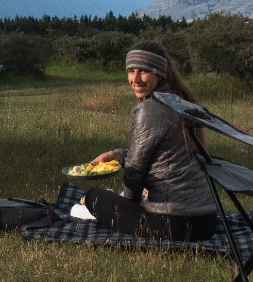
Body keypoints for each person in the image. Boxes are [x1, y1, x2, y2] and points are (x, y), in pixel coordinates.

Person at [80, 41, 218, 242]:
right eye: (131, 71)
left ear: (158, 73)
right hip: (207, 223)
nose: (135, 79)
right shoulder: (180, 100)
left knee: (94, 197)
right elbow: (162, 152)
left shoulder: (149, 109)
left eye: (143, 72)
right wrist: (119, 155)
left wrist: (129, 207)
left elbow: (135, 171)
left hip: (176, 225)